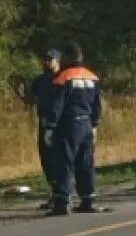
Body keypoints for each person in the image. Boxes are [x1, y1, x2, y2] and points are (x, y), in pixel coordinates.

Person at [45, 42, 103, 215]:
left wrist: (50, 127)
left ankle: (62, 202)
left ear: (69, 58)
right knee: (85, 163)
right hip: (86, 124)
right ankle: (87, 199)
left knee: (64, 162)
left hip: (68, 124)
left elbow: (56, 104)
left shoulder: (63, 77)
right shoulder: (93, 77)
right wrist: (94, 125)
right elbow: (98, 106)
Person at [17, 49, 63, 208]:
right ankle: (55, 192)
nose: (46, 62)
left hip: (59, 124)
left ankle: (62, 194)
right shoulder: (40, 80)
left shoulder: (63, 78)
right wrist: (21, 94)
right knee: (46, 160)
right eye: (45, 59)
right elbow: (31, 99)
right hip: (43, 123)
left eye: (50, 60)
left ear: (58, 61)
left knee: (58, 159)